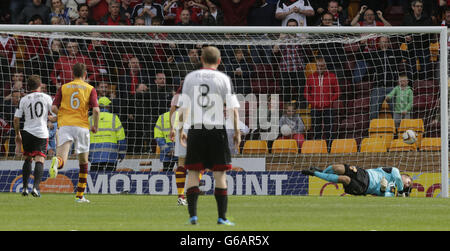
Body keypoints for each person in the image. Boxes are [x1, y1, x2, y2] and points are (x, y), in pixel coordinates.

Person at [178, 46, 241, 225]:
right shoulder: (223, 78)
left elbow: (184, 107)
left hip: (196, 129)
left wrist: (181, 129)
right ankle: (221, 217)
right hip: (216, 130)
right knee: (219, 175)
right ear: (219, 61)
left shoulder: (190, 77)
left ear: (202, 59)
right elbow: (233, 110)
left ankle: (193, 216)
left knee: (193, 172)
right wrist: (236, 132)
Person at [49, 63, 100, 203]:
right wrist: (95, 125)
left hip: (65, 125)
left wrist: (62, 115)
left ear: (73, 74)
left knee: (62, 159)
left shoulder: (64, 87)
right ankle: (80, 195)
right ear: (85, 75)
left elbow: (53, 107)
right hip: (82, 126)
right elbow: (96, 110)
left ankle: (56, 162)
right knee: (83, 162)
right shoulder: (90, 88)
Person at [13, 75, 55, 197]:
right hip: (41, 133)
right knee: (40, 159)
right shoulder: (47, 98)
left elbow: (16, 119)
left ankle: (25, 188)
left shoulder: (24, 99)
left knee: (27, 158)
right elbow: (53, 116)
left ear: (28, 86)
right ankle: (36, 188)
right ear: (40, 85)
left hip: (27, 131)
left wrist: (17, 134)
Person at [301, 164, 413, 197]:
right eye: (409, 182)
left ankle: (314, 173)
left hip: (364, 187)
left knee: (344, 179)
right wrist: (402, 192)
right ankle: (321, 171)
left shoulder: (393, 192)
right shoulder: (394, 171)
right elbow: (398, 178)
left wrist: (383, 189)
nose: (407, 184)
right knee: (337, 167)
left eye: (408, 186)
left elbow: (382, 195)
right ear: (406, 175)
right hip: (363, 173)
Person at [304, 56, 340, 149]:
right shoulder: (311, 77)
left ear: (325, 65)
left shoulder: (332, 76)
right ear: (316, 66)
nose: (321, 68)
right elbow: (306, 92)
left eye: (323, 66)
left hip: (328, 107)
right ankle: (317, 148)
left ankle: (329, 148)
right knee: (316, 130)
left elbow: (338, 91)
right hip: (315, 108)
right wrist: (313, 102)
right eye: (319, 66)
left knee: (329, 130)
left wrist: (330, 101)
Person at [89, 97, 126, 172]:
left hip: (94, 156)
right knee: (110, 179)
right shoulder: (114, 118)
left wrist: (86, 155)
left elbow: (83, 139)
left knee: (95, 180)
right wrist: (122, 154)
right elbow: (121, 139)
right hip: (111, 156)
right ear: (109, 106)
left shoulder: (90, 119)